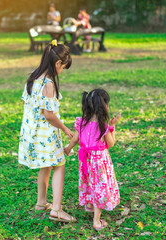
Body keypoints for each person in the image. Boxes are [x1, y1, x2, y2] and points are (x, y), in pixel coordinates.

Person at [18, 40, 76, 223]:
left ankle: (41, 203)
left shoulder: (33, 77)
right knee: (59, 164)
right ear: (58, 63)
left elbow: (28, 103)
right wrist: (66, 130)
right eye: (63, 67)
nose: (61, 72)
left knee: (47, 165)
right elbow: (49, 115)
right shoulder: (48, 84)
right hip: (45, 134)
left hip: (32, 132)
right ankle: (57, 210)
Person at [64, 89, 121, 230]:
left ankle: (89, 205)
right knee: (99, 187)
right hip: (99, 162)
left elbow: (75, 139)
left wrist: (68, 148)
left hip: (86, 161)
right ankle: (96, 221)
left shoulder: (82, 122)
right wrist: (112, 127)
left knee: (88, 181)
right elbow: (111, 144)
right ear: (104, 106)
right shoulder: (104, 127)